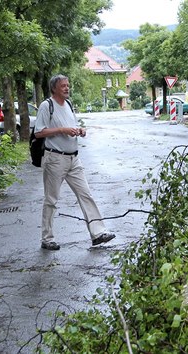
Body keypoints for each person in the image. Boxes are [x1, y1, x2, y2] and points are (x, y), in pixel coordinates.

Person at [34, 74, 115, 250]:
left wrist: (80, 130)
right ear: (54, 88)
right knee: (51, 200)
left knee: (86, 194)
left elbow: (72, 125)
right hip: (55, 159)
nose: (67, 88)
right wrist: (62, 130)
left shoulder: (69, 105)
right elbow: (38, 132)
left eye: (67, 85)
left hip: (73, 159)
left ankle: (98, 233)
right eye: (63, 86)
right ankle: (47, 239)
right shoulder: (46, 106)